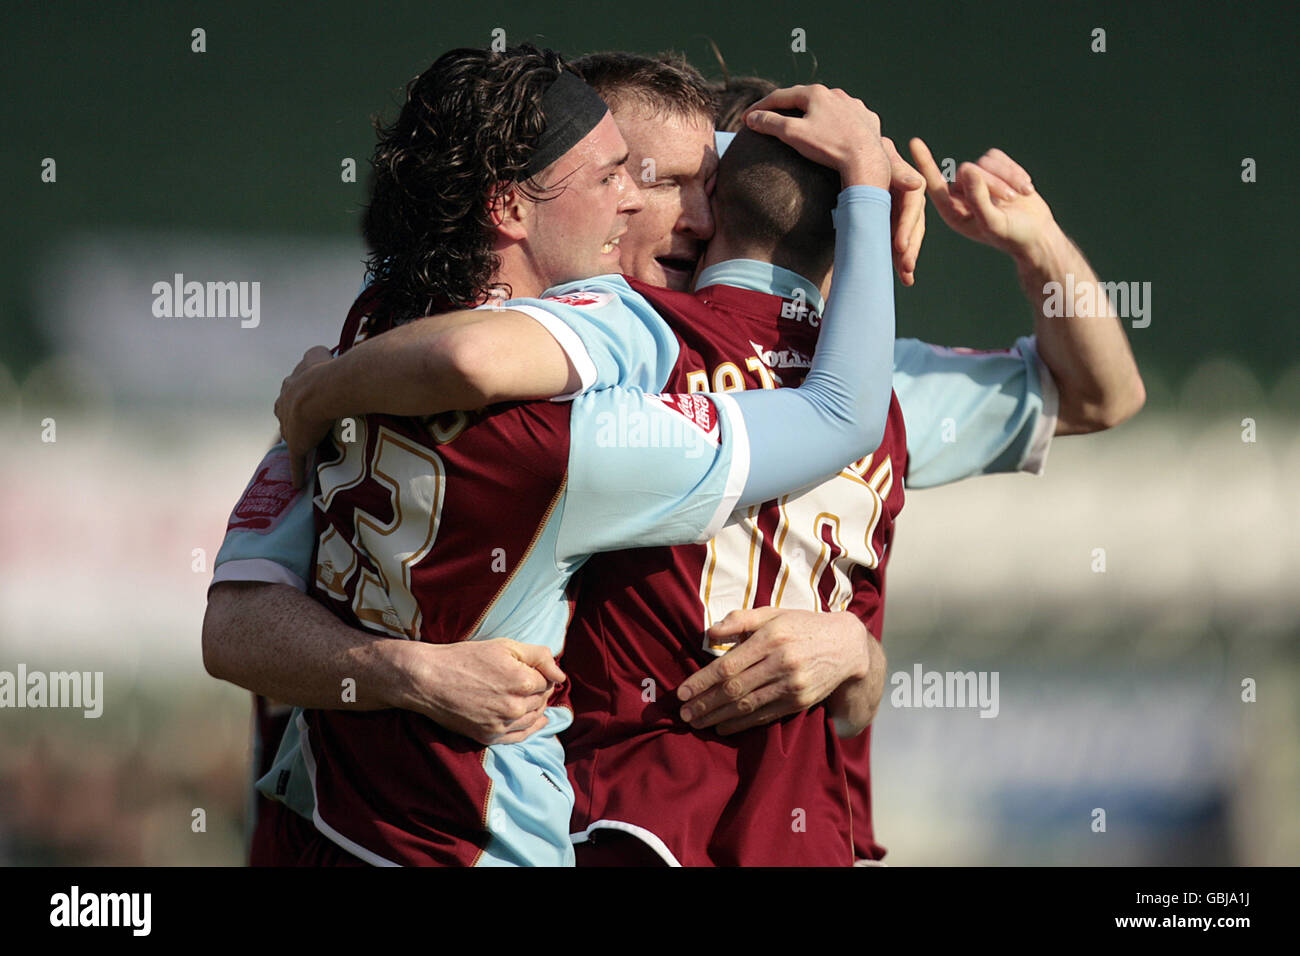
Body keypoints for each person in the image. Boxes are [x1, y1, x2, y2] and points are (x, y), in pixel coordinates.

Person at [215, 51, 1144, 865]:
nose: (693, 215)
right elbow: (242, 629)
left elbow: (1101, 397)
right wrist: (405, 671)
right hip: (548, 829)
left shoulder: (821, 351)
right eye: (649, 178)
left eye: (711, 181)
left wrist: (1033, 241)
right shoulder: (435, 377)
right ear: (536, 197)